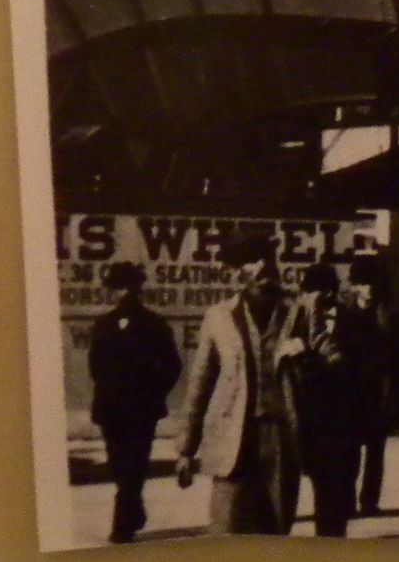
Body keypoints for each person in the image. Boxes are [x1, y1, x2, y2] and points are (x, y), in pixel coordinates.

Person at [175, 233, 301, 535]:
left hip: (279, 434)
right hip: (233, 435)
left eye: (269, 269)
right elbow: (200, 384)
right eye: (256, 271)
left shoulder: (296, 315)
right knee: (227, 525)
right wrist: (185, 449)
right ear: (241, 277)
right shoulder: (218, 318)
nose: (265, 276)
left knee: (276, 523)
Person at [87, 261, 182, 544]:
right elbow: (95, 366)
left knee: (135, 464)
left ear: (139, 289)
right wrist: (108, 390)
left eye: (130, 286)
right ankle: (134, 504)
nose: (124, 293)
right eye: (119, 287)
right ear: (112, 291)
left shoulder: (155, 324)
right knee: (118, 464)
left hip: (142, 409)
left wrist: (153, 393)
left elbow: (171, 365)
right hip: (110, 409)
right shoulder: (102, 324)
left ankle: (122, 525)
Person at [281, 262, 363, 537]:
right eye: (312, 292)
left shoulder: (353, 319)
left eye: (322, 291)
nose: (317, 297)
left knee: (337, 488)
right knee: (315, 479)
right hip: (308, 413)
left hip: (344, 415)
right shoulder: (293, 320)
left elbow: (362, 364)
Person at [344, 253, 393, 517]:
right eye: (364, 283)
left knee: (376, 453)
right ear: (354, 286)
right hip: (352, 394)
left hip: (377, 394)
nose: (369, 289)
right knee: (351, 453)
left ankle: (370, 502)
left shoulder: (385, 317)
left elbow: (397, 359)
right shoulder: (344, 317)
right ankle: (348, 501)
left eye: (372, 283)